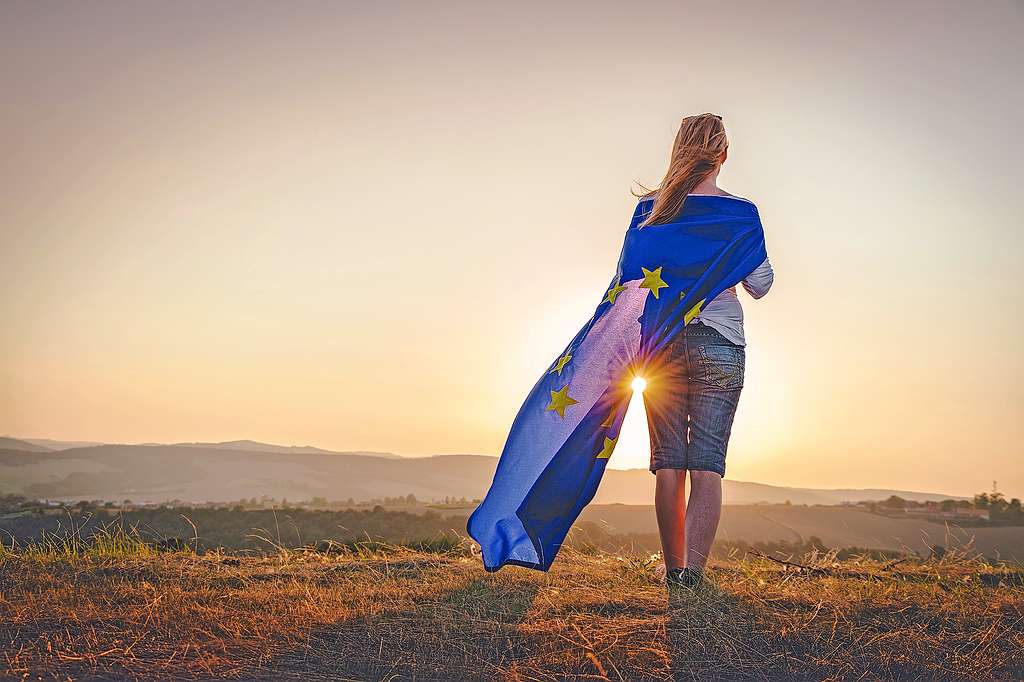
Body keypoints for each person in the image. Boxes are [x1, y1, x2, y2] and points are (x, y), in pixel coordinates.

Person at [636, 114, 774, 589]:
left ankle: (672, 569)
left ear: (677, 150)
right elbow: (761, 284)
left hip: (661, 344)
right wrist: (723, 265)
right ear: (724, 155)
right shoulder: (740, 213)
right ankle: (693, 573)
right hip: (720, 341)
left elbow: (629, 282)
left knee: (668, 461)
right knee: (707, 462)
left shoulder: (651, 211)